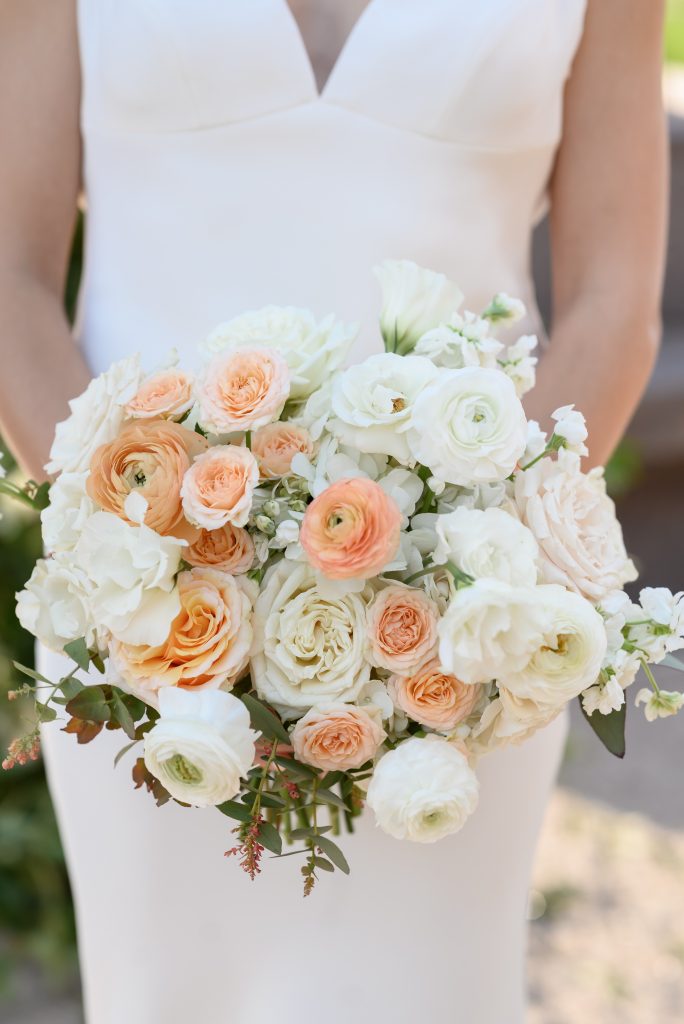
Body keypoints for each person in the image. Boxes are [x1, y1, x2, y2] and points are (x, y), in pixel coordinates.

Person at [0, 2, 667, 1022]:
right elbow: (9, 277)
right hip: (143, 632)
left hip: (458, 642)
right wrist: (140, 567)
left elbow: (613, 302)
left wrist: (481, 579)